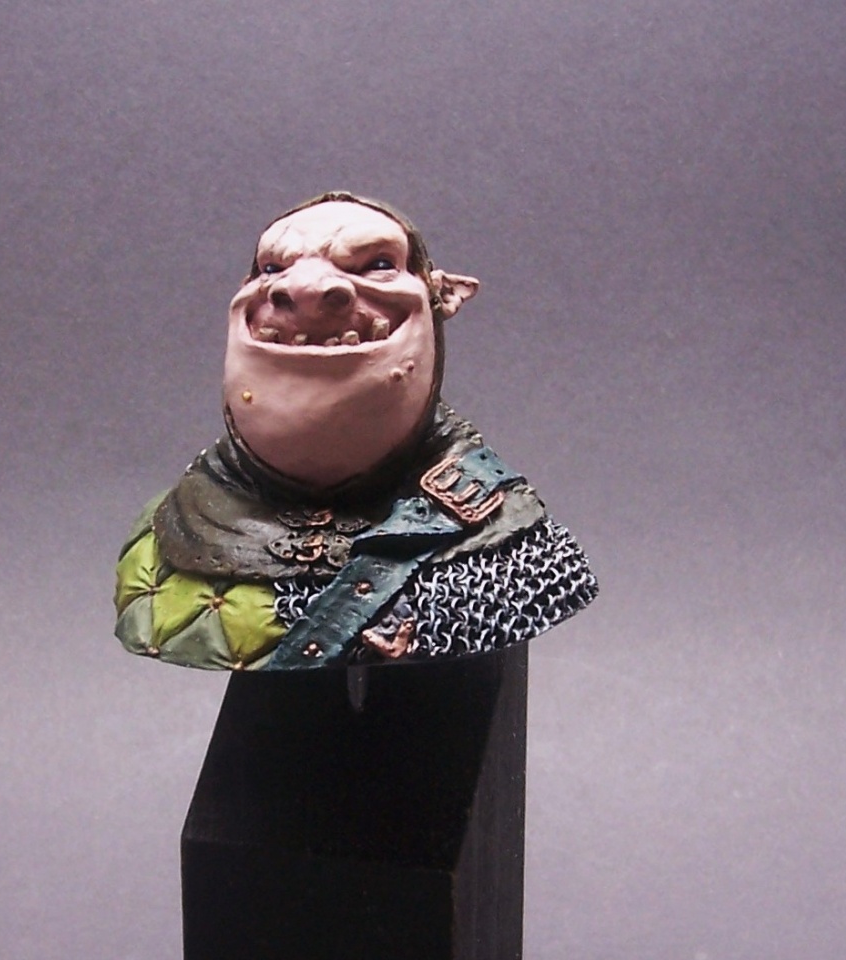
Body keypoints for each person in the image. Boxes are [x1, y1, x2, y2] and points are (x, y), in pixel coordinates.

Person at [114, 192, 596, 671]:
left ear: (441, 296)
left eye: (378, 265)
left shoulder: (506, 546)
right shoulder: (168, 536)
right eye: (272, 268)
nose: (305, 288)